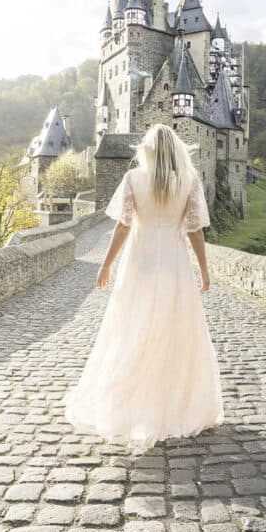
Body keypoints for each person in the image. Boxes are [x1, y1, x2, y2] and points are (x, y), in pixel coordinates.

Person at [63, 123, 224, 452]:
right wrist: (204, 272)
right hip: (174, 264)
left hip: (139, 263)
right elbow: (195, 232)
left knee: (132, 329)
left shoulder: (134, 179)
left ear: (147, 150)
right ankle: (172, 406)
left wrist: (107, 263)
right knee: (174, 332)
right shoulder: (189, 181)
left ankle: (133, 404)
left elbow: (123, 226)